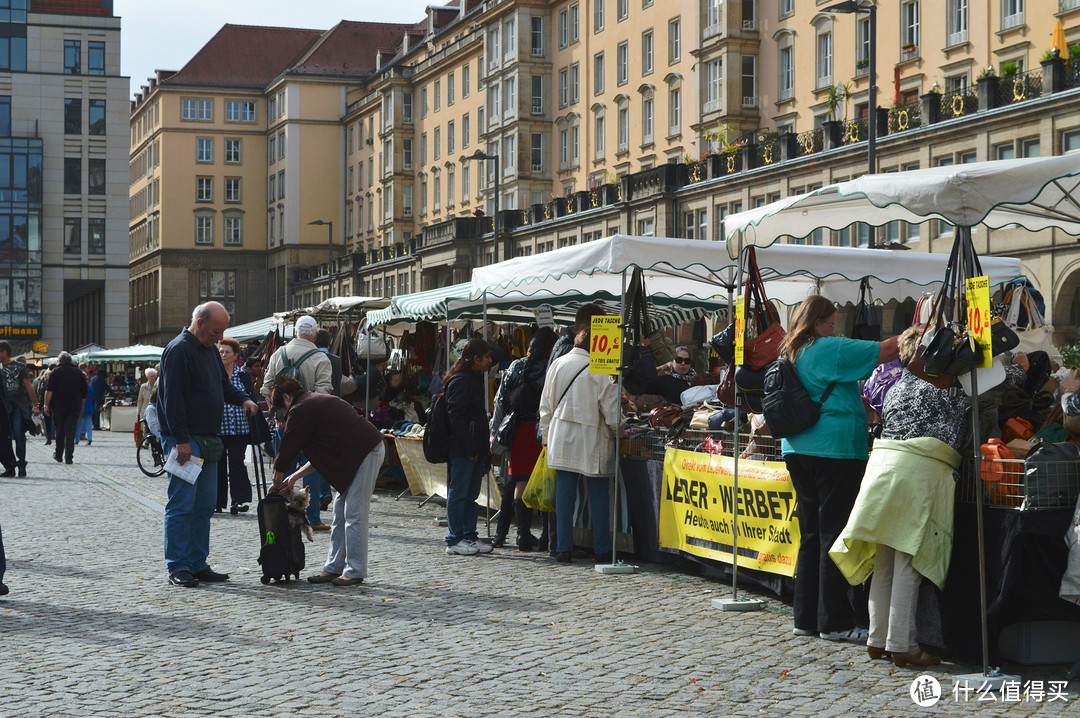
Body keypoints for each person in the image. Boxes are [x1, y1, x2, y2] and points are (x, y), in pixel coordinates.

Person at [779, 295, 899, 643]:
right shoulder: (828, 347)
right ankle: (834, 622)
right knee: (833, 536)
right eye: (831, 322)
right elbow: (888, 350)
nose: (834, 328)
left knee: (811, 536)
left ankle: (805, 619)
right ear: (818, 323)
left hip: (797, 447)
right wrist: (921, 330)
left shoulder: (793, 349)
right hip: (833, 449)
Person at [158, 301, 258, 588]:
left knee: (204, 506)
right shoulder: (179, 351)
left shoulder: (209, 350)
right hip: (187, 439)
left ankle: (197, 562)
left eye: (223, 331)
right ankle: (178, 565)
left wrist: (243, 399)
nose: (220, 336)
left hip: (208, 439)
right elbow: (172, 399)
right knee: (182, 504)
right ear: (199, 323)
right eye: (216, 330)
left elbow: (223, 385)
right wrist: (180, 440)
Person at [269, 375, 386, 586]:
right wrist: (294, 476)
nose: (282, 416)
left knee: (354, 513)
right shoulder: (310, 404)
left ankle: (355, 571)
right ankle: (333, 568)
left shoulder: (300, 408)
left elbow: (287, 450)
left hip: (366, 452)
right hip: (357, 454)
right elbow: (318, 455)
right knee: (340, 512)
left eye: (281, 410)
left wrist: (277, 481)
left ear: (287, 397)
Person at [539, 316, 619, 564]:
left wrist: (545, 433)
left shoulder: (558, 363)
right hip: (591, 436)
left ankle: (563, 548)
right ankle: (602, 550)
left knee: (565, 494)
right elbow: (611, 407)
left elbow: (545, 404)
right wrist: (621, 429)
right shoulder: (601, 368)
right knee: (598, 494)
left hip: (561, 435)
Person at [490, 327, 559, 551]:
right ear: (551, 349)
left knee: (518, 481)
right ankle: (544, 537)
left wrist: (494, 431)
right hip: (541, 431)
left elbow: (500, 401)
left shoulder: (515, 367)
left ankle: (518, 534)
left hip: (517, 430)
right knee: (546, 482)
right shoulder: (550, 369)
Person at [262, 315, 333, 530]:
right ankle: (312, 518)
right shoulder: (321, 358)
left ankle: (281, 514)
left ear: (296, 332)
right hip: (313, 425)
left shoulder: (278, 354)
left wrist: (280, 415)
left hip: (285, 422)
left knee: (284, 465)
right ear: (314, 335)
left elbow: (266, 387)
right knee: (313, 468)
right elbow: (324, 391)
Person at [442, 338, 494, 556]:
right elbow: (456, 416)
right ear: (476, 359)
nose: (490, 361)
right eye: (487, 357)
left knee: (471, 495)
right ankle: (454, 539)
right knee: (459, 494)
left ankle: (469, 535)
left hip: (475, 447)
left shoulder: (472, 379)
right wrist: (470, 445)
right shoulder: (462, 381)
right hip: (464, 449)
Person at [216, 338, 256, 515]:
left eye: (227, 352)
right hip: (217, 427)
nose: (223, 355)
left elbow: (251, 396)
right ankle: (217, 501)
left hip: (239, 428)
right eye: (221, 352)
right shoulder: (213, 373)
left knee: (237, 463)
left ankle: (238, 500)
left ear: (235, 356)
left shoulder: (242, 374)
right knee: (217, 465)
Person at [0, 342, 39, 477]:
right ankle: (10, 466)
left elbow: (29, 387)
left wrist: (35, 405)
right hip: (3, 407)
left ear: (4, 352)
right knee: (3, 438)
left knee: (18, 435)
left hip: (18, 407)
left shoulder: (20, 367)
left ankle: (21, 464)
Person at [43, 351, 87, 465]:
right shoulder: (79, 372)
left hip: (58, 406)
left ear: (60, 361)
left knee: (60, 431)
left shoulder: (55, 372)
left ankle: (58, 455)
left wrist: (46, 405)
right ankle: (69, 457)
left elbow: (49, 390)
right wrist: (82, 405)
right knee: (70, 431)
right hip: (74, 406)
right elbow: (84, 392)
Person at [135, 367, 158, 445]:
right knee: (145, 426)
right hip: (144, 409)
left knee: (154, 424)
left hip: (154, 409)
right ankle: (146, 441)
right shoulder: (143, 387)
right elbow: (140, 400)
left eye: (154, 376)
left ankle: (155, 440)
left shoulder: (157, 386)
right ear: (147, 377)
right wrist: (138, 410)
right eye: (151, 376)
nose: (153, 378)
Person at [33, 367, 51, 446]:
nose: (45, 375)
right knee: (47, 422)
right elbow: (41, 395)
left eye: (46, 374)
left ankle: (49, 438)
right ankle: (48, 438)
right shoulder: (44, 382)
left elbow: (42, 394)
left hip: (49, 405)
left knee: (48, 422)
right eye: (45, 374)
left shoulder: (47, 383)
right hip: (45, 405)